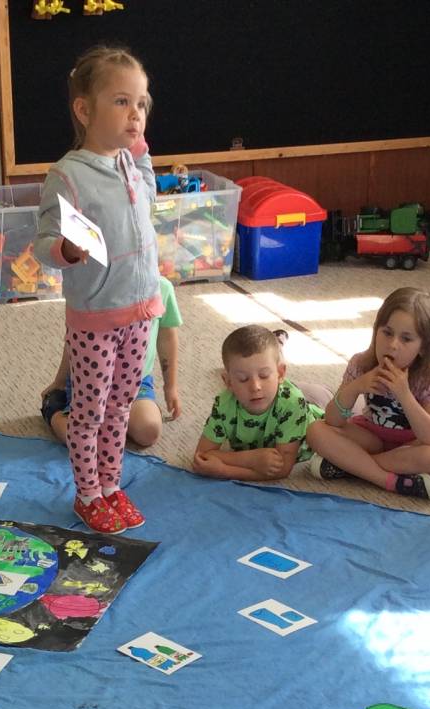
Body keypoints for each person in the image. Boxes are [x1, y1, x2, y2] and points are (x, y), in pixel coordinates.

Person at [34, 44, 163, 534]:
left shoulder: (130, 162)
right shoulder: (67, 175)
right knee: (89, 412)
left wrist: (141, 151)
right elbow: (44, 241)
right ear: (85, 110)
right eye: (122, 102)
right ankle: (87, 493)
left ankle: (111, 485)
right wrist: (65, 250)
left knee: (121, 408)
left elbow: (148, 196)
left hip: (140, 311)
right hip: (96, 318)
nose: (136, 114)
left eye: (141, 103)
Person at [305, 286, 430, 500]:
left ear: (424, 347)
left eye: (406, 339)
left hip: (411, 445)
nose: (392, 345)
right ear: (376, 331)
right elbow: (333, 420)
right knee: (316, 430)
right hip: (371, 437)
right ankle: (387, 480)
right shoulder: (361, 364)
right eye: (387, 333)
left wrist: (404, 395)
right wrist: (356, 387)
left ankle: (351, 466)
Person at [42, 273, 181, 449]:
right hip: (91, 380)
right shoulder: (95, 288)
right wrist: (60, 381)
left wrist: (170, 387)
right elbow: (76, 341)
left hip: (136, 382)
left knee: (149, 431)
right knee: (83, 441)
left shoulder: (162, 287)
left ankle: (114, 416)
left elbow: (167, 337)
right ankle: (53, 409)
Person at [192, 326, 322, 483]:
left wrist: (224, 470)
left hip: (317, 406)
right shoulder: (224, 403)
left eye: (264, 375)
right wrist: (252, 458)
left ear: (281, 373)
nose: (255, 387)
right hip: (277, 391)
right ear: (228, 382)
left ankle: (278, 343)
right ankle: (277, 345)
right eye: (243, 379)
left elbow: (282, 469)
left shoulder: (293, 403)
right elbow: (202, 456)